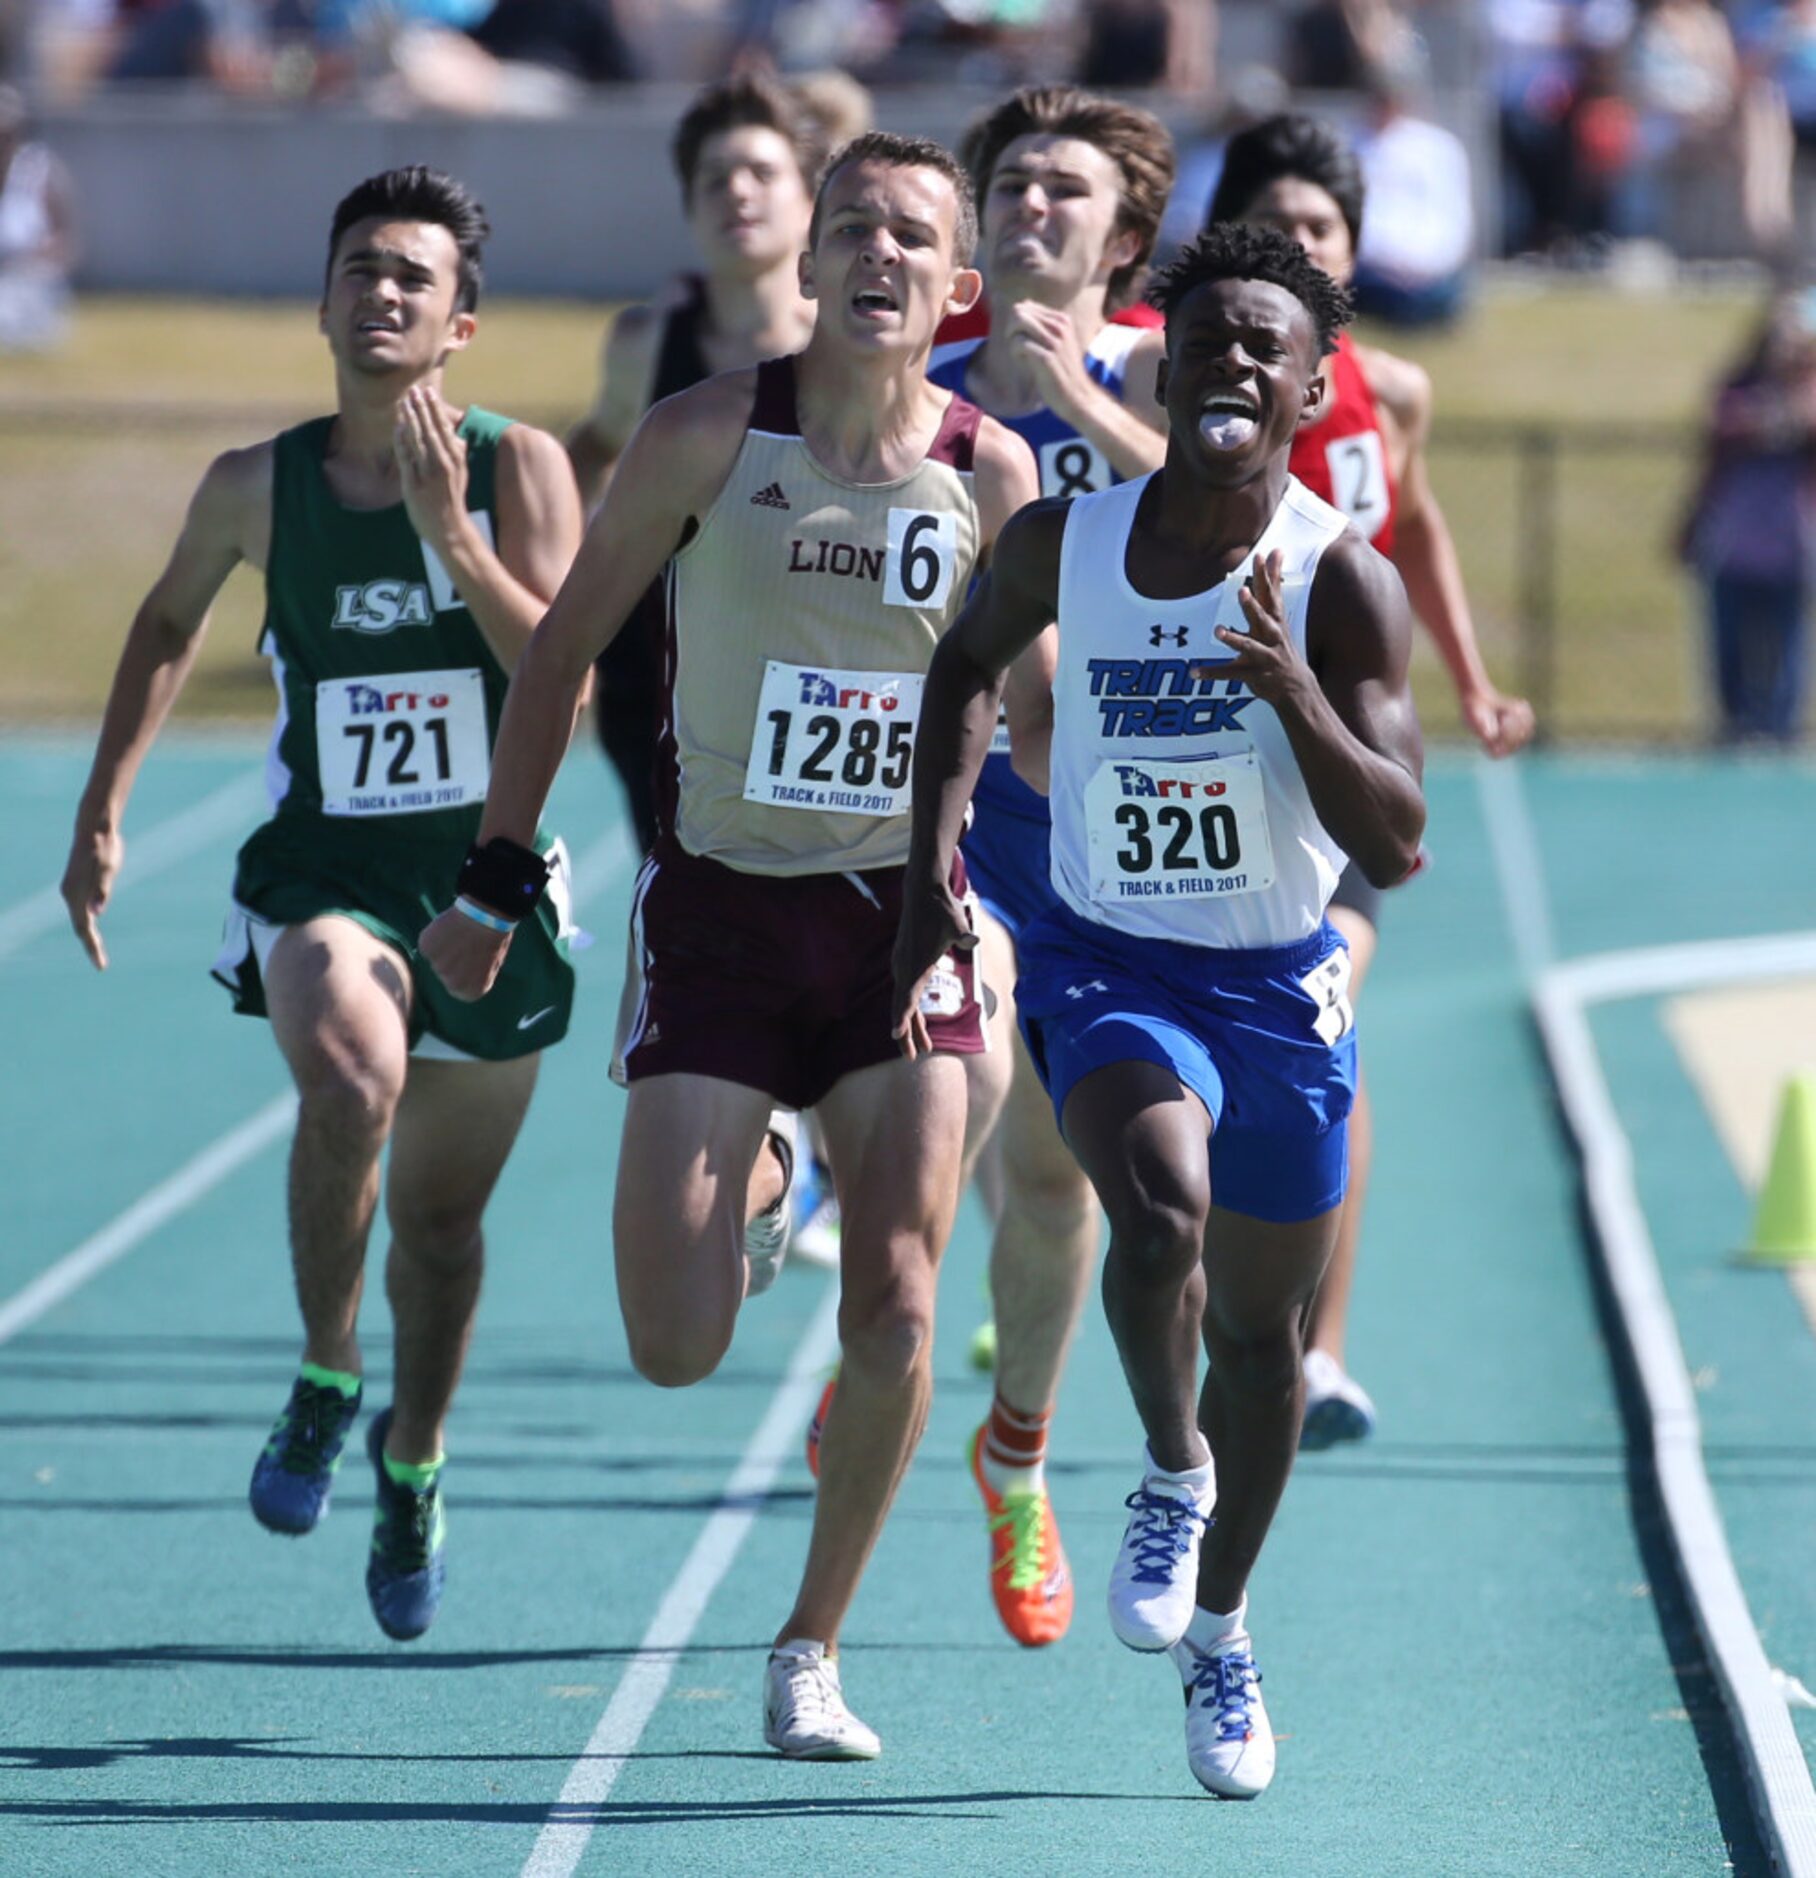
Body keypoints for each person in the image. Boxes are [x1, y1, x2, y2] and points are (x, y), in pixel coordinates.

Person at [421, 132, 1037, 1758]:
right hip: (717, 907)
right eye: (853, 231)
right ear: (813, 263)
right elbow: (562, 649)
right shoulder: (706, 435)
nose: (877, 257)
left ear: (954, 289)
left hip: (902, 917)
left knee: (903, 1301)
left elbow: (1025, 715)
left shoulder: (989, 475)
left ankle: (810, 1647)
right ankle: (775, 1184)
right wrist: (494, 872)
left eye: (912, 236)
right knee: (674, 1342)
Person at [894, 221, 1425, 1797]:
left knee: (1259, 1337)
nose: (1236, 365)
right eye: (1209, 342)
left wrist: (1293, 691)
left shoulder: (1342, 579)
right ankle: (1168, 1465)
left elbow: (1397, 834)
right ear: (1161, 365)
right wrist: (934, 867)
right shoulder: (1070, 542)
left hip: (1276, 984)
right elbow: (959, 673)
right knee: (1160, 1208)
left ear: (1311, 386)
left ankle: (1226, 1623)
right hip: (1108, 955)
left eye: (1270, 348)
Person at [59, 167, 584, 1642]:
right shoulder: (254, 484)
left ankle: (412, 1455)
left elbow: (569, 670)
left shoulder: (519, 465)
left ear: (460, 323)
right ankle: (326, 1373)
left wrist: (450, 534)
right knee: (352, 1069)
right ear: (323, 302)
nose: (384, 293)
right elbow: (169, 618)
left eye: (415, 276)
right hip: (324, 875)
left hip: (488, 892)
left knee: (442, 1231)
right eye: (361, 268)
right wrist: (104, 803)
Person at [1209, 113, 1535, 1446]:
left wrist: (1469, 681)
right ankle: (1198, 1294)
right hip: (1209, 742)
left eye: (1323, 230)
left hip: (1344, 748)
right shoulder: (1192, 377)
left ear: (1353, 251)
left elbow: (1425, 524)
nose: (1299, 248)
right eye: (1274, 225)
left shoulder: (1388, 389)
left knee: (1325, 1016)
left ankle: (1322, 1353)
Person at [925, 82, 1174, 1651]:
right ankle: (881, 1333)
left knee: (1049, 1183)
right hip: (943, 818)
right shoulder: (917, 384)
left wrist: (1073, 399)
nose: (1030, 208)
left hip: (1104, 839)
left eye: (1063, 190)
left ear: (1123, 235)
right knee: (917, 1113)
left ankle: (1015, 1450)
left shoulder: (1163, 379)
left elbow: (1246, 527)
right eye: (1009, 182)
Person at [566, 71, 835, 855]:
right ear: (688, 204)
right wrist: (567, 581)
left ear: (809, 197)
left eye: (761, 172)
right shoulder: (645, 342)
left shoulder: (851, 346)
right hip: (658, 683)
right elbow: (585, 451)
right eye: (715, 178)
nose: (737, 193)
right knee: (670, 907)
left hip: (811, 676)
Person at [1677, 286, 1816, 742]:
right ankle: (1732, 732)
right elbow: (1727, 426)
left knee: (1786, 668)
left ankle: (1777, 736)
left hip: (1791, 551)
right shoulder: (1737, 387)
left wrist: (1787, 400)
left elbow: (1804, 420)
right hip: (1734, 547)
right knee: (1729, 660)